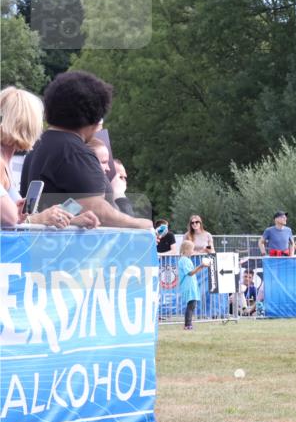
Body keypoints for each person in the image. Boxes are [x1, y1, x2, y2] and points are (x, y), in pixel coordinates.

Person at [17, 71, 151, 230]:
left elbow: (73, 206)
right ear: (93, 119)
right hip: (76, 251)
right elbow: (95, 208)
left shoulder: (37, 146)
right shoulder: (75, 152)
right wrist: (139, 224)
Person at [1, 86, 99, 229]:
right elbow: (9, 219)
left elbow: (14, 220)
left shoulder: (5, 163)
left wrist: (70, 219)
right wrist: (41, 217)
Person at [178, 240, 210, 330]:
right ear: (186, 250)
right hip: (188, 286)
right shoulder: (184, 260)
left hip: (191, 285)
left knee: (192, 305)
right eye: (192, 249)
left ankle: (188, 324)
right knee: (191, 305)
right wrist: (201, 266)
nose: (193, 251)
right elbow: (190, 273)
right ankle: (187, 324)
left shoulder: (186, 260)